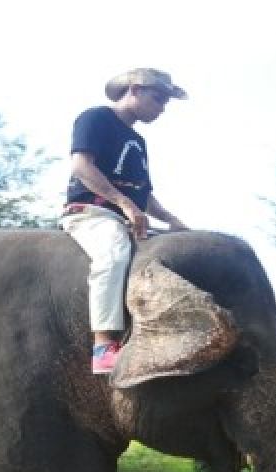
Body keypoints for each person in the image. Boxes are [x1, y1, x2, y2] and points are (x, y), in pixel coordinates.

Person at [61, 67, 189, 374]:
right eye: (157, 99)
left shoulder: (138, 142)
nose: (160, 108)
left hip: (129, 219)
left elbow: (143, 196)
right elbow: (81, 166)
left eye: (164, 103)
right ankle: (104, 345)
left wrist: (173, 221)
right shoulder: (95, 118)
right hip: (91, 214)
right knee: (112, 255)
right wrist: (124, 204)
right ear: (134, 89)